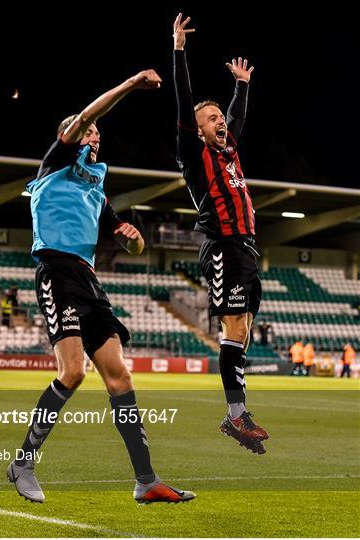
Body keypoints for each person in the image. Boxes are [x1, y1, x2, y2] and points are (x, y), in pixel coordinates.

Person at [7, 69, 195, 505]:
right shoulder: (56, 160)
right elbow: (91, 111)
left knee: (120, 375)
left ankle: (146, 480)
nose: (95, 133)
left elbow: (128, 236)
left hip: (88, 281)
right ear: (69, 135)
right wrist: (130, 85)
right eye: (88, 129)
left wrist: (135, 239)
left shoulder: (96, 189)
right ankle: (23, 462)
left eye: (98, 131)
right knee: (73, 372)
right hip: (56, 272)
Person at [173, 13, 268, 455]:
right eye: (210, 118)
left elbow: (237, 117)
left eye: (218, 117)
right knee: (233, 326)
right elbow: (184, 102)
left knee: (242, 330)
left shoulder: (229, 151)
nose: (219, 122)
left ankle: (237, 414)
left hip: (247, 249)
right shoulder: (194, 156)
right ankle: (235, 416)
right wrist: (179, 51)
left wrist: (242, 86)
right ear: (198, 129)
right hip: (223, 247)